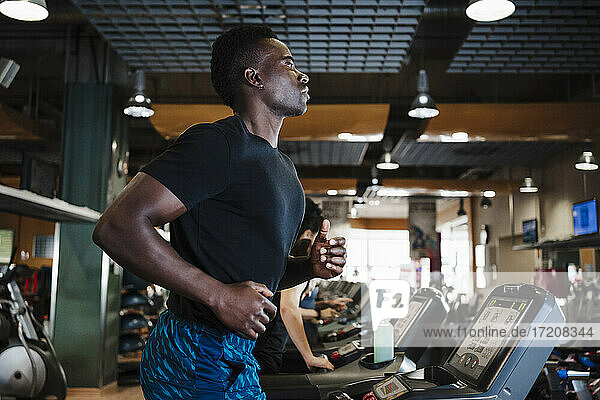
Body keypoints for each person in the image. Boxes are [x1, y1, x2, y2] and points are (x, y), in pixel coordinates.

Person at [92, 24, 347, 400]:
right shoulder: (218, 144)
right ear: (254, 77)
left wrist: (307, 266)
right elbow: (117, 226)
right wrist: (219, 296)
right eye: (289, 64)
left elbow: (255, 275)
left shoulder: (284, 170)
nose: (302, 74)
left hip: (239, 354)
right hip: (195, 350)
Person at [254, 198, 351, 374]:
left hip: (262, 343)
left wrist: (324, 305)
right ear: (308, 233)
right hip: (268, 348)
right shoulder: (297, 254)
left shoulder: (278, 252)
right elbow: (287, 308)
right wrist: (309, 356)